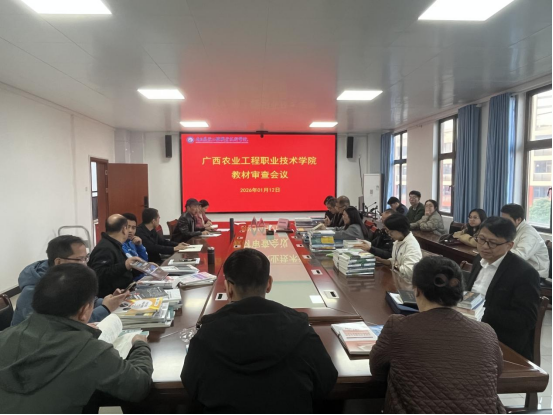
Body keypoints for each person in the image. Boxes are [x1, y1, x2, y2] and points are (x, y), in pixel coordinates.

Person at [181, 249, 338, 414]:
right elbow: (326, 380)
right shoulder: (301, 330)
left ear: (228, 287)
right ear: (269, 283)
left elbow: (191, 386)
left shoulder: (205, 336)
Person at [0, 264, 153, 414]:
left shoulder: (5, 336)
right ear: (85, 311)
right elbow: (139, 387)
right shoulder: (91, 351)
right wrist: (140, 345)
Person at [370, 257, 505, 414]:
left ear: (416, 291)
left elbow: (377, 370)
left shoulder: (398, 326)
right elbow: (497, 371)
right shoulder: (486, 331)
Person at [11, 235, 129, 326]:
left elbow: (88, 301)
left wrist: (109, 301)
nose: (85, 264)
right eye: (79, 259)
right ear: (59, 262)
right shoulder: (36, 291)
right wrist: (106, 308)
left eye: (86, 258)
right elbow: (63, 327)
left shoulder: (70, 277)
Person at [466, 217, 541, 361]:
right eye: (481, 239)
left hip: (501, 341)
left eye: (493, 243)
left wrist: (480, 311)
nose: (485, 246)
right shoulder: (478, 260)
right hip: (472, 330)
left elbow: (526, 320)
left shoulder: (524, 273)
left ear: (509, 245)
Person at [89, 214, 142, 298]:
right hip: (112, 298)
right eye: (128, 227)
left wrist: (143, 267)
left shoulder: (115, 245)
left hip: (126, 291)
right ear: (124, 229)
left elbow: (122, 271)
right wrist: (125, 265)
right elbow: (99, 275)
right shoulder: (105, 248)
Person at [501, 204, 550, 280]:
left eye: (506, 220)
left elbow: (520, 256)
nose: (503, 223)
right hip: (519, 270)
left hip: (535, 276)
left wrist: (498, 250)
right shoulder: (512, 229)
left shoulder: (529, 234)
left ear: (518, 220)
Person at [377, 214, 422, 285]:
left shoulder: (412, 246)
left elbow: (409, 272)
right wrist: (382, 260)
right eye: (388, 231)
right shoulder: (399, 241)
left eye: (391, 231)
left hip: (407, 284)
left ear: (400, 229)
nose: (389, 234)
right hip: (397, 281)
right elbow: (396, 261)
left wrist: (395, 265)